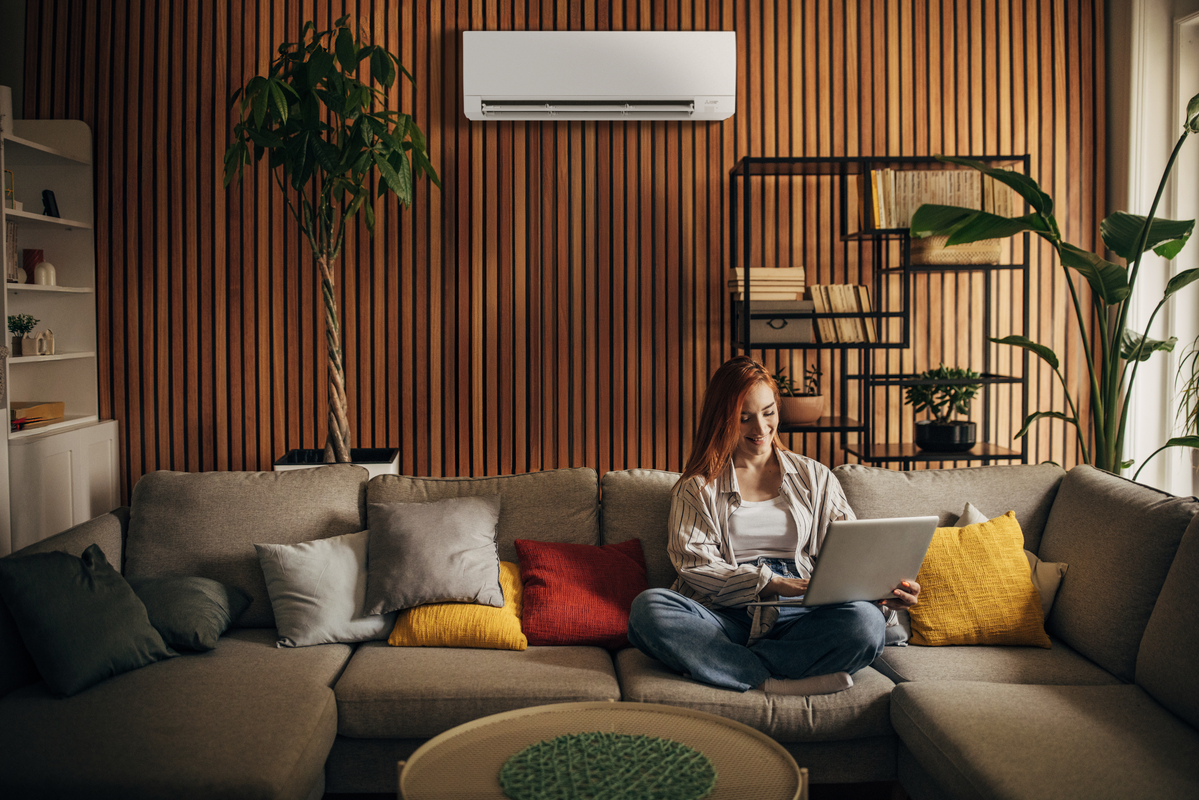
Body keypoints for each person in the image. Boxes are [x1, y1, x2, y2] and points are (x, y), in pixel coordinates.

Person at [627, 355, 920, 695]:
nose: (761, 429)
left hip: (804, 614)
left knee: (866, 624)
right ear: (722, 419)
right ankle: (773, 677)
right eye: (745, 418)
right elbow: (696, 566)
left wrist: (885, 594)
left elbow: (850, 557)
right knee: (648, 610)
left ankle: (729, 666)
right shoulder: (697, 487)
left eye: (768, 413)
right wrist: (773, 582)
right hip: (728, 615)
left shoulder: (815, 477)